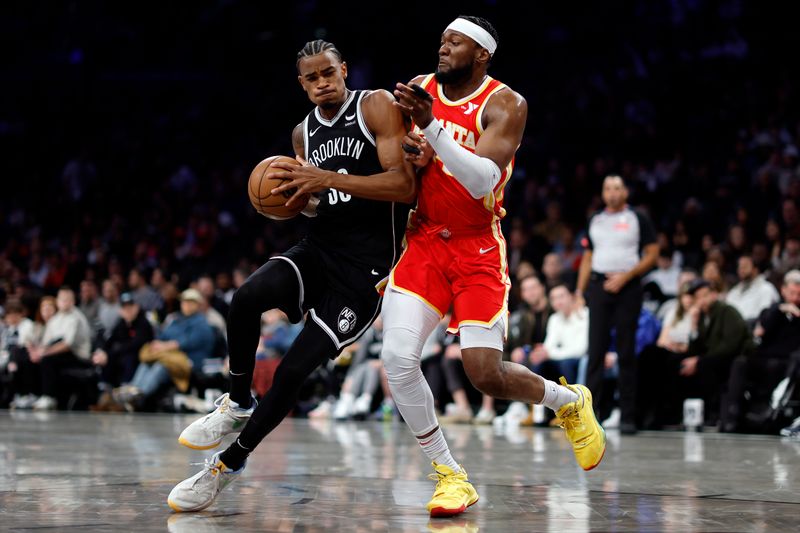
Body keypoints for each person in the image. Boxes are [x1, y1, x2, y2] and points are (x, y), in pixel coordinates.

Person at [167, 39, 416, 512]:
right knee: (244, 298)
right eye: (313, 77)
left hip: (366, 271)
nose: (323, 83)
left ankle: (228, 465)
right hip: (320, 248)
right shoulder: (303, 134)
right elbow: (318, 200)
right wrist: (299, 200)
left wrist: (328, 181)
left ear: (344, 69)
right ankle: (238, 400)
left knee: (292, 372)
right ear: (301, 84)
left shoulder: (376, 106)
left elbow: (403, 186)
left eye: (330, 73)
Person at [383, 15, 605, 517]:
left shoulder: (505, 103)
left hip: (477, 246)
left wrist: (433, 131)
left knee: (483, 374)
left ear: (481, 54)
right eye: (441, 38)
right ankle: (449, 474)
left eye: (455, 42)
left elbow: (482, 178)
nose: (443, 47)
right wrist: (410, 153)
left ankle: (567, 402)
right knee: (397, 358)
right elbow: (398, 157)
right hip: (424, 240)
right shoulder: (419, 88)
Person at [575, 175, 659, 434]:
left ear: (625, 192)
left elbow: (652, 253)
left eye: (617, 188)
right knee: (596, 351)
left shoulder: (638, 218)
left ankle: (627, 417)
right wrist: (580, 290)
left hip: (628, 286)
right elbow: (588, 258)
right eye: (608, 188)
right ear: (603, 193)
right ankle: (591, 416)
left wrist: (626, 276)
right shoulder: (595, 220)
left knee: (625, 352)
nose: (612, 193)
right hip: (600, 286)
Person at [721, 270, 800, 432]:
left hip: (789, 363)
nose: (795, 298)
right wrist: (780, 309)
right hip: (764, 359)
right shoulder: (772, 311)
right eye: (792, 293)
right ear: (783, 290)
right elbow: (762, 329)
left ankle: (772, 413)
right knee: (740, 363)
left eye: (799, 294)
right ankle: (731, 414)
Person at [27, 287, 93, 410]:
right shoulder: (56, 319)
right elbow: (46, 342)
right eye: (62, 299)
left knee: (47, 359)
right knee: (32, 358)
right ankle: (32, 394)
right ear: (57, 301)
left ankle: (49, 397)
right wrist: (37, 352)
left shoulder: (76, 317)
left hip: (78, 357)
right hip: (60, 354)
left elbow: (67, 345)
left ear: (73, 301)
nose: (64, 302)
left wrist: (44, 353)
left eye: (67, 300)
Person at [724, 255, 780, 325]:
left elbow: (766, 316)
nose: (741, 269)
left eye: (745, 266)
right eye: (740, 266)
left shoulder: (766, 289)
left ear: (755, 269)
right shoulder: (734, 292)